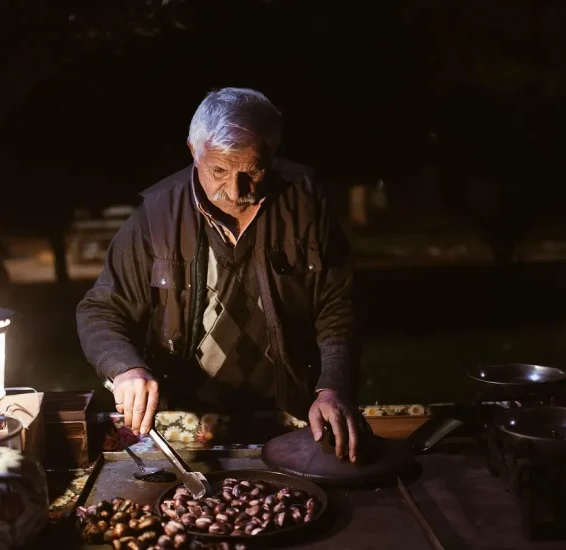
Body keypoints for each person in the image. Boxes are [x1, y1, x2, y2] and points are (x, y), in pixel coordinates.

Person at [77, 87, 363, 462]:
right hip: (187, 417)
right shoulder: (158, 214)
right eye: (219, 170)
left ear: (272, 156)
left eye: (253, 171)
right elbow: (101, 309)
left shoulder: (306, 201)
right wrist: (126, 369)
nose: (235, 190)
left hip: (295, 410)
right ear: (193, 152)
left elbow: (337, 305)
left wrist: (332, 387)